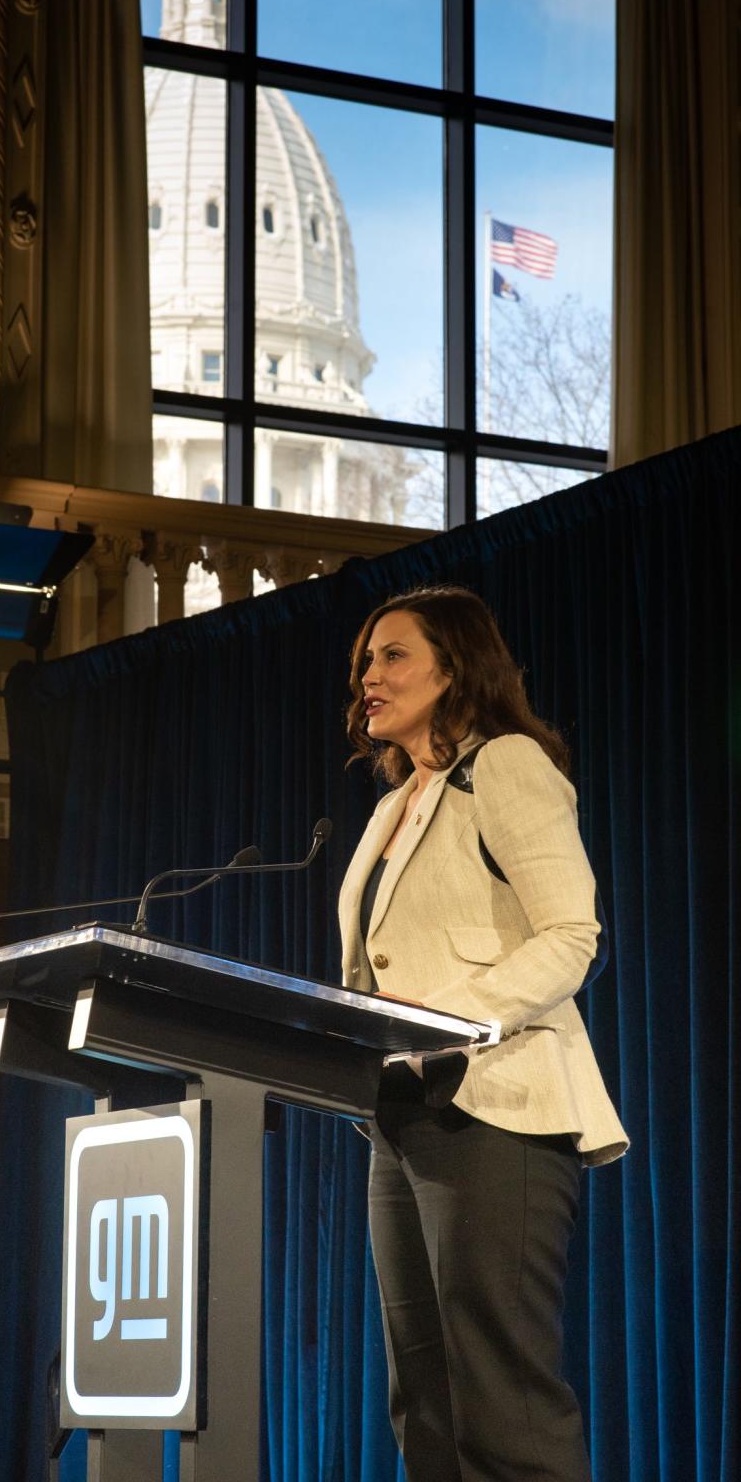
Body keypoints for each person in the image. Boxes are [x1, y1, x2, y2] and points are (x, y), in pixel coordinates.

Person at [338, 585, 627, 1482]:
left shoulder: (504, 766)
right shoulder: (393, 806)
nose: (367, 678)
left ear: (455, 667)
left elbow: (572, 935)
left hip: (499, 1105)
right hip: (403, 1114)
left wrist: (456, 1025)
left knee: (501, 1398)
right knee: (422, 1400)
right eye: (364, 662)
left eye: (392, 656)